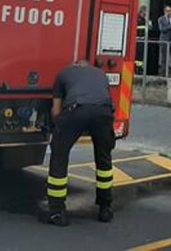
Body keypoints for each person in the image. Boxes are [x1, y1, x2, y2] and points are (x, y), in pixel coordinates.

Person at [46, 60, 116, 227]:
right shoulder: (101, 74)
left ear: (75, 65)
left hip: (76, 110)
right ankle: (105, 208)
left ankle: (57, 212)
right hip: (103, 112)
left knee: (59, 156)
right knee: (104, 159)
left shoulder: (64, 73)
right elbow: (109, 101)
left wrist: (60, 129)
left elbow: (56, 110)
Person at [157, 6, 171, 77]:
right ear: (164, 11)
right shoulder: (161, 19)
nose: (169, 12)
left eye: (170, 11)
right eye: (167, 11)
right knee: (164, 58)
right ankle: (163, 73)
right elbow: (162, 29)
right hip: (164, 40)